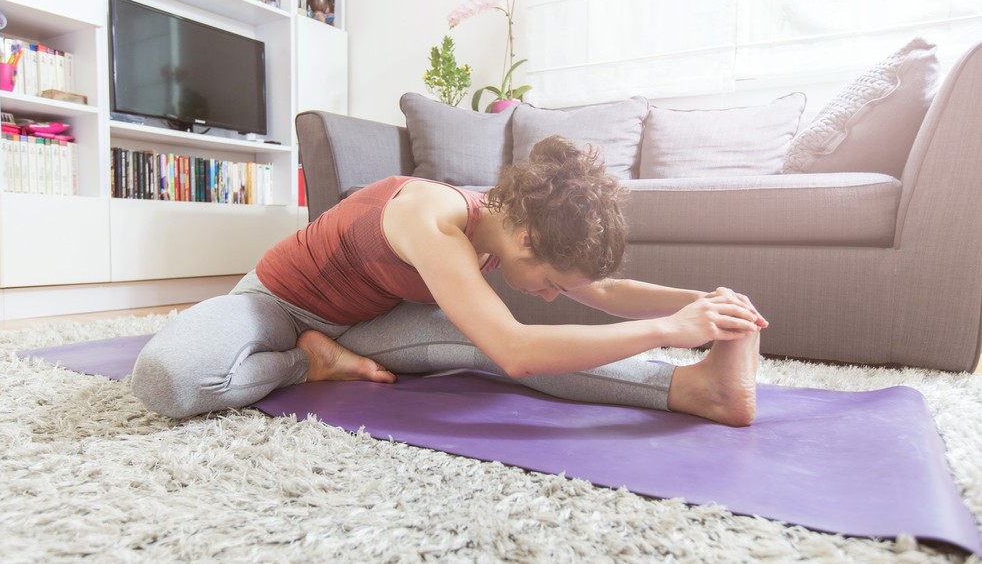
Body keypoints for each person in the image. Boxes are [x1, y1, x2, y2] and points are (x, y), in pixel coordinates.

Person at [131, 135, 767, 426]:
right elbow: (518, 352)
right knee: (169, 379)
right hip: (278, 304)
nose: (548, 292)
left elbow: (599, 290)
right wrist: (670, 328)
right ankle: (307, 365)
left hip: (368, 326)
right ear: (524, 239)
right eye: (547, 278)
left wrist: (704, 305)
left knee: (472, 340)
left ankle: (695, 389)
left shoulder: (514, 226)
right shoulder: (429, 219)